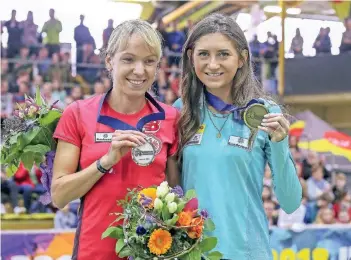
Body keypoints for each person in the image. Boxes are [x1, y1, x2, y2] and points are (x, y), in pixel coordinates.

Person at [173, 13, 302, 259]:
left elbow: (290, 202)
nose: (212, 64)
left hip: (247, 252)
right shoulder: (181, 111)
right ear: (191, 58)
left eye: (223, 54)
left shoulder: (265, 113)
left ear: (242, 58)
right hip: (192, 252)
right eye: (203, 54)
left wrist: (280, 144)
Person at [51, 19, 179, 260]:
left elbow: (176, 193)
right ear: (110, 60)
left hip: (152, 252)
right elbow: (59, 196)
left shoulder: (170, 118)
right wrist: (105, 162)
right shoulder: (78, 113)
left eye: (149, 61)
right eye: (129, 59)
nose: (139, 70)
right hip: (94, 251)